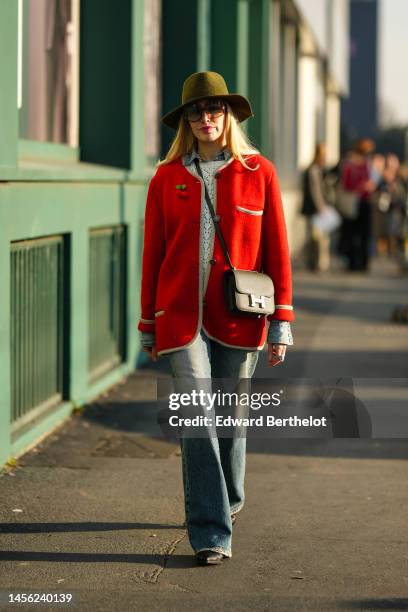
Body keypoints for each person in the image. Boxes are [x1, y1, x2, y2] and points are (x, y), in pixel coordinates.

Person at [137, 71, 295, 565]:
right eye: (196, 112)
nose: (206, 119)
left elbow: (278, 251)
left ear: (228, 117)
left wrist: (282, 322)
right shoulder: (166, 178)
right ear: (185, 121)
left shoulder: (259, 172)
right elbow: (153, 255)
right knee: (198, 417)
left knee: (230, 421)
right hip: (180, 319)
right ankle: (210, 530)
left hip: (240, 317)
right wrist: (148, 323)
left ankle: (226, 500)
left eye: (215, 110)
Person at [337, 139, 376, 271]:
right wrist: (360, 187)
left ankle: (363, 263)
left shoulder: (367, 165)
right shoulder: (350, 165)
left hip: (365, 202)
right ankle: (353, 263)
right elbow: (346, 184)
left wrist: (369, 186)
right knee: (353, 234)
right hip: (354, 202)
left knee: (365, 234)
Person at [301, 142, 331, 271]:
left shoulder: (319, 169)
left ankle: (316, 261)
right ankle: (317, 262)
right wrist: (321, 207)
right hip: (315, 209)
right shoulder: (313, 169)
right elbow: (315, 191)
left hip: (317, 209)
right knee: (317, 238)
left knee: (318, 237)